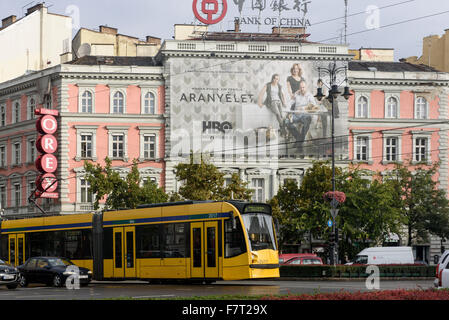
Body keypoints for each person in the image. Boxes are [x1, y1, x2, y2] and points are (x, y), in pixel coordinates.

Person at [284, 79, 314, 152]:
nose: (302, 89)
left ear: (306, 87)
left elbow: (313, 105)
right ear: (299, 88)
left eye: (303, 87)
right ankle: (299, 138)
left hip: (305, 115)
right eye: (300, 87)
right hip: (296, 115)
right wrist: (288, 110)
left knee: (307, 121)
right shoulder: (296, 94)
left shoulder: (309, 95)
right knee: (287, 121)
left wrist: (303, 108)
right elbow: (290, 102)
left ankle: (299, 141)